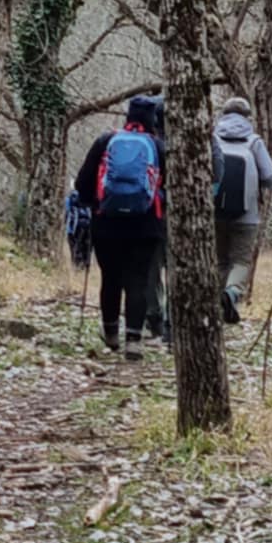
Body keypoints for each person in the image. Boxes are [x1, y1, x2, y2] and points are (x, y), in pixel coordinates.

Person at [73, 94, 165, 360]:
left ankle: (111, 334)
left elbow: (83, 183)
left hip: (107, 223)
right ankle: (134, 339)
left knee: (111, 278)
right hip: (146, 224)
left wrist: (93, 203)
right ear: (152, 120)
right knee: (138, 279)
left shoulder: (106, 141)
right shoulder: (157, 147)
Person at [211, 95, 272, 323]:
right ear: (247, 117)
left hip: (214, 212)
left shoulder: (213, 139)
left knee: (221, 260)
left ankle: (217, 307)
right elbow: (269, 175)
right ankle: (231, 294)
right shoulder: (253, 142)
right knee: (241, 261)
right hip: (246, 214)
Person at [144, 93, 170, 342]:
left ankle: (155, 318)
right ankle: (174, 321)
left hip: (151, 214)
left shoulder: (148, 144)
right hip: (181, 215)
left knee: (152, 268)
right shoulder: (194, 141)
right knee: (178, 267)